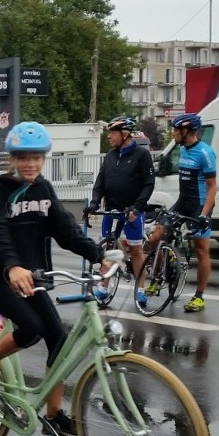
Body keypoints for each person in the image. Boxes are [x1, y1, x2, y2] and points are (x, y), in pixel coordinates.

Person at [0, 121, 121, 436]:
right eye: (23, 157)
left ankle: (54, 415)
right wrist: (12, 266)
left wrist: (98, 255)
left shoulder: (44, 189)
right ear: (12, 158)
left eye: (37, 157)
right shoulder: (1, 188)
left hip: (32, 277)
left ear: (43, 158)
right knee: (30, 329)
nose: (30, 164)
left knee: (59, 338)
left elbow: (65, 229)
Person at [149, 113, 216, 313]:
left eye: (176, 130)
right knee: (156, 237)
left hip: (200, 205)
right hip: (183, 202)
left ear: (186, 131)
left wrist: (204, 214)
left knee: (202, 249)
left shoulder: (205, 153)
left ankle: (199, 296)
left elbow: (212, 187)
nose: (173, 134)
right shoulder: (183, 150)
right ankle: (159, 276)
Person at [85, 116, 155, 306]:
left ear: (125, 134)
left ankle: (140, 288)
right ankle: (103, 287)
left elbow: (148, 185)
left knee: (136, 250)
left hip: (132, 211)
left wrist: (137, 207)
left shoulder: (141, 155)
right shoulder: (110, 156)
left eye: (113, 133)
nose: (109, 137)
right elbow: (100, 184)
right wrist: (94, 203)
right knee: (108, 249)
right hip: (111, 210)